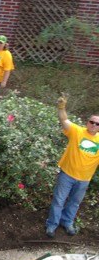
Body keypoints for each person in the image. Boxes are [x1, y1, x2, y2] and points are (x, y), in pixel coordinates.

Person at [45, 97, 99, 237]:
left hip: (84, 179)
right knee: (59, 200)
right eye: (91, 122)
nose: (94, 125)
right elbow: (64, 120)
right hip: (67, 174)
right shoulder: (77, 131)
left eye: (97, 124)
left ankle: (67, 222)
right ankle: (52, 225)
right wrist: (62, 108)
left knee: (74, 203)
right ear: (87, 122)